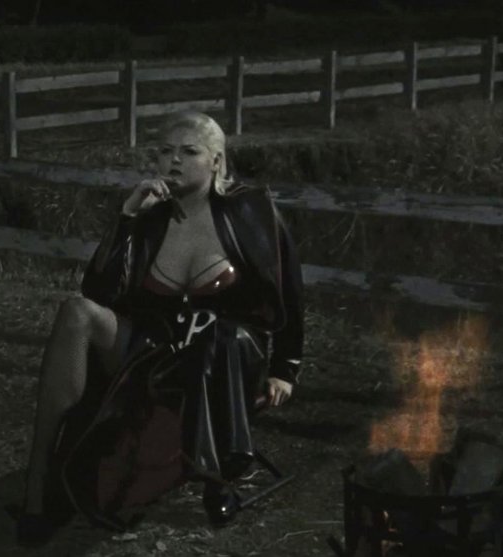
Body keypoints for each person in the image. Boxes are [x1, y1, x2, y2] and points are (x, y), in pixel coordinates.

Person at [16, 111, 304, 546]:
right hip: (155, 348)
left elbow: (289, 291)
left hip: (225, 355)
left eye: (189, 152)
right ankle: (38, 486)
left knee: (221, 338)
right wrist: (127, 219)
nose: (174, 161)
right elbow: (98, 291)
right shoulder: (150, 216)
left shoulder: (251, 211)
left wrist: (286, 367)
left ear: (216, 161)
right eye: (166, 151)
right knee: (77, 312)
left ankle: (217, 476)